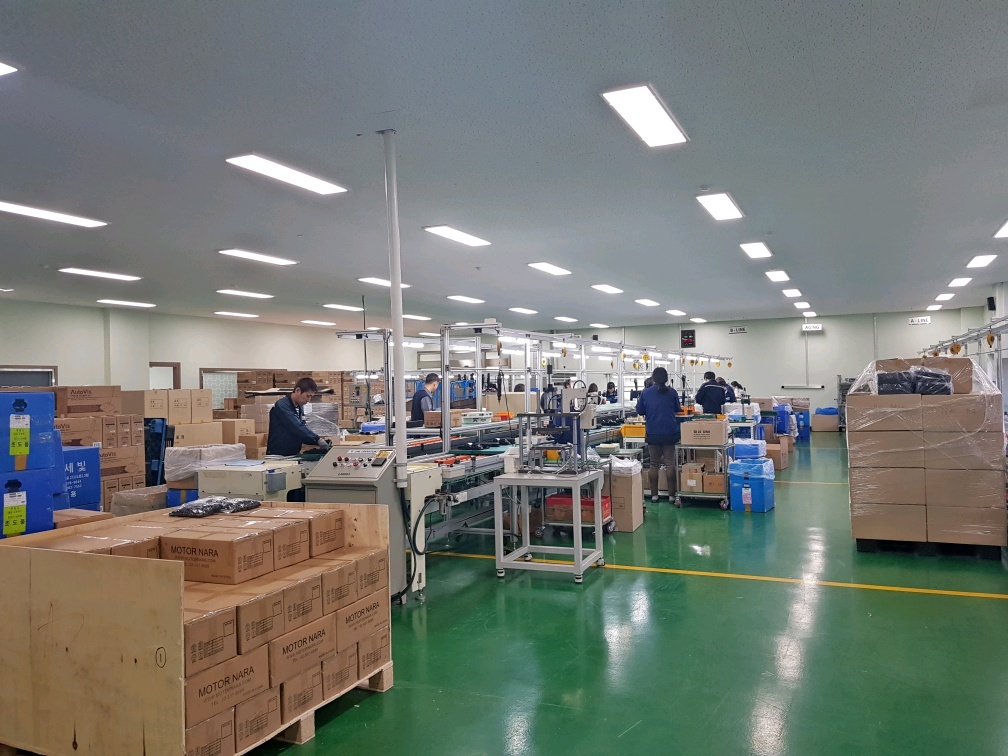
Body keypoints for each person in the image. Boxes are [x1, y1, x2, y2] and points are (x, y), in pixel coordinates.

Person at [636, 367, 682, 503]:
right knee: (669, 464)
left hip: (653, 433)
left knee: (653, 464)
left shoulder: (645, 393)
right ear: (666, 378)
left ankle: (654, 495)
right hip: (669, 433)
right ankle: (671, 495)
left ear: (653, 378)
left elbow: (640, 410)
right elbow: (677, 409)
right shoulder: (672, 392)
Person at [266, 377, 330, 456]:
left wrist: (319, 442)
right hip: (278, 455)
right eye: (307, 396)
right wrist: (317, 439)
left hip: (292, 454)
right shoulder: (282, 406)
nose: (309, 400)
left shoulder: (299, 408)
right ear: (298, 390)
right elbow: (296, 427)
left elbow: (301, 433)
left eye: (311, 397)